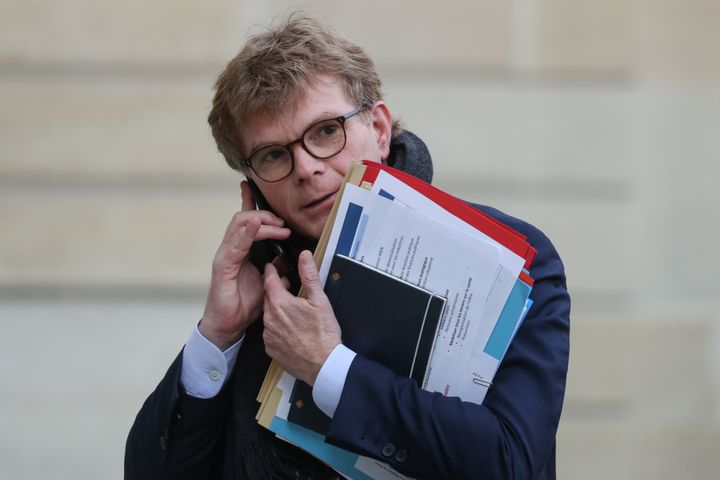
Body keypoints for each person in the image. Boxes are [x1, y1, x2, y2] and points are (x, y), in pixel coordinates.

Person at [125, 12, 570, 480]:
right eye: (273, 154)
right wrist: (217, 336)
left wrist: (327, 367)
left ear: (379, 129)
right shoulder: (263, 290)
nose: (306, 168)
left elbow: (511, 463)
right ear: (252, 184)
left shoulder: (515, 257)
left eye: (325, 132)